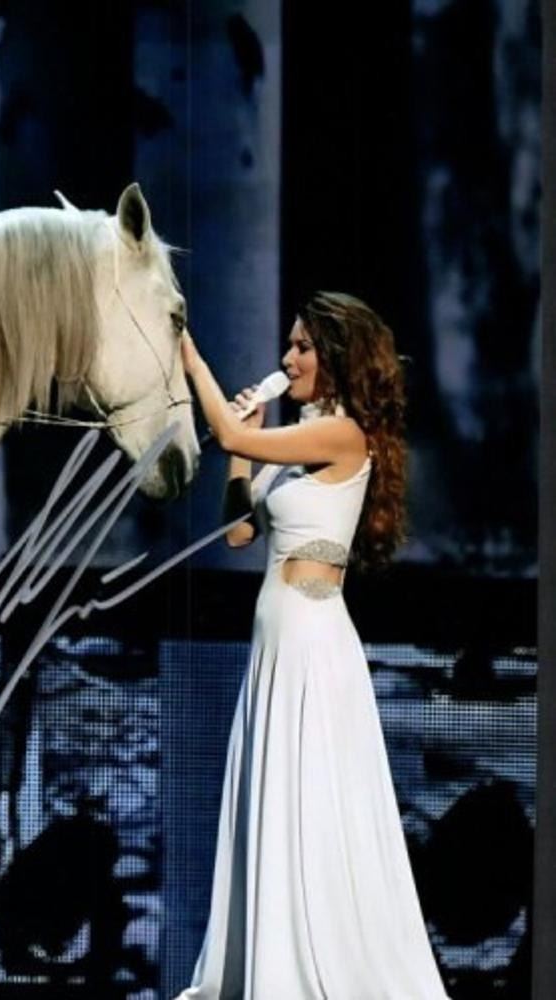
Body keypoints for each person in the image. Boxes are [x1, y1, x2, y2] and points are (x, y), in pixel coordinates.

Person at [174, 291, 449, 999]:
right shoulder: (298, 443)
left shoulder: (342, 435)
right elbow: (241, 532)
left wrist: (189, 357)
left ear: (334, 357)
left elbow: (225, 434)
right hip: (275, 647)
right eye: (290, 344)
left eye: (301, 347)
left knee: (312, 801)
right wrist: (244, 452)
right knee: (274, 797)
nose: (286, 358)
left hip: (311, 643)